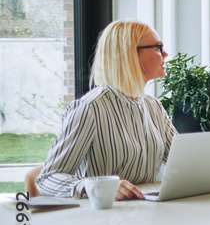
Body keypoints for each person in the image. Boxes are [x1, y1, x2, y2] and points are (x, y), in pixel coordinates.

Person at [36, 20, 176, 200]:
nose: (165, 53)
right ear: (129, 54)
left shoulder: (154, 106)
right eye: (158, 47)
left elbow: (182, 161)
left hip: (144, 211)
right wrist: (91, 186)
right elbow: (48, 178)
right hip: (101, 214)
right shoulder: (90, 108)